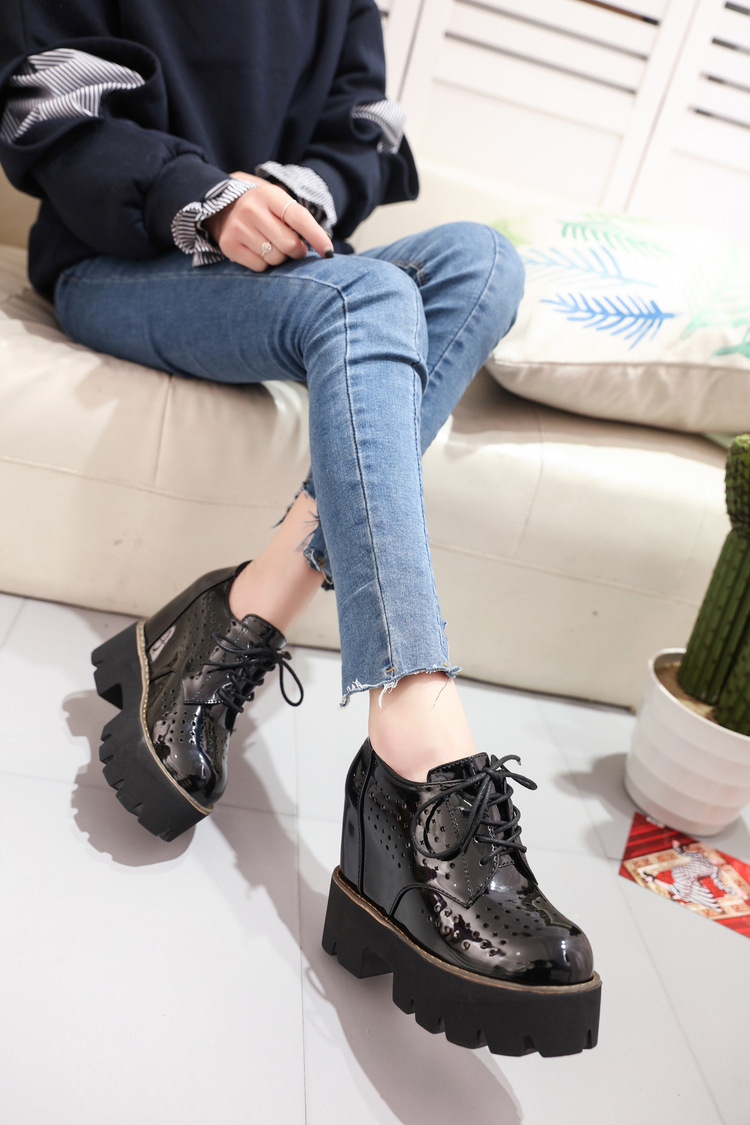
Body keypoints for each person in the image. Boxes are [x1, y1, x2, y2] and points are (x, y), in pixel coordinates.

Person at [0, 0, 600, 1057]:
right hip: (121, 261)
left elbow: (363, 128)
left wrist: (295, 194)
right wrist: (207, 198)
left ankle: (245, 609)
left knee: (482, 262)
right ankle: (418, 744)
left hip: (288, 268)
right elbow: (47, 100)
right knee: (368, 299)